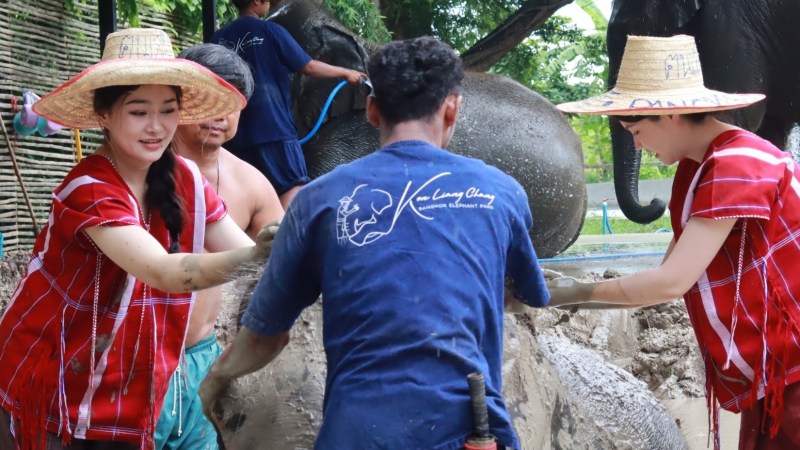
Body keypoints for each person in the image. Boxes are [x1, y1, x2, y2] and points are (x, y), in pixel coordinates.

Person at [198, 36, 551, 450]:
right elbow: (528, 297)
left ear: (371, 110)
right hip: (470, 428)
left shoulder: (319, 199)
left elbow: (265, 337)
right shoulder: (501, 191)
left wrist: (215, 381)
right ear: (452, 107)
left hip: (357, 432)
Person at [0, 28, 277, 450]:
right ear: (104, 115)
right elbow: (166, 271)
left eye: (168, 110)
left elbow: (242, 247)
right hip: (51, 378)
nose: (156, 127)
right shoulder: (89, 186)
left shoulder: (186, 179)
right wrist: (261, 253)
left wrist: (286, 249)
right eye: (138, 111)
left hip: (129, 383)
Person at [550, 34, 800, 450]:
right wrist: (567, 293)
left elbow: (670, 283)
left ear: (670, 116)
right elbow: (662, 277)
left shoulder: (738, 163)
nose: (636, 144)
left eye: (635, 129)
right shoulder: (697, 169)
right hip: (776, 368)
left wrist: (565, 294)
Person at [153, 43, 284, 450]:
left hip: (203, 356)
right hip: (136, 352)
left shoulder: (253, 184)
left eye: (232, 103)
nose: (220, 114)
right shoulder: (137, 173)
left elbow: (276, 262)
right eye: (209, 98)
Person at [210, 0, 367, 209]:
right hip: (274, 130)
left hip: (233, 137)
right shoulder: (270, 31)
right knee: (293, 191)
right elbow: (309, 67)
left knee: (242, 197)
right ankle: (288, 240)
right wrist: (346, 72)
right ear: (257, 1)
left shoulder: (217, 39)